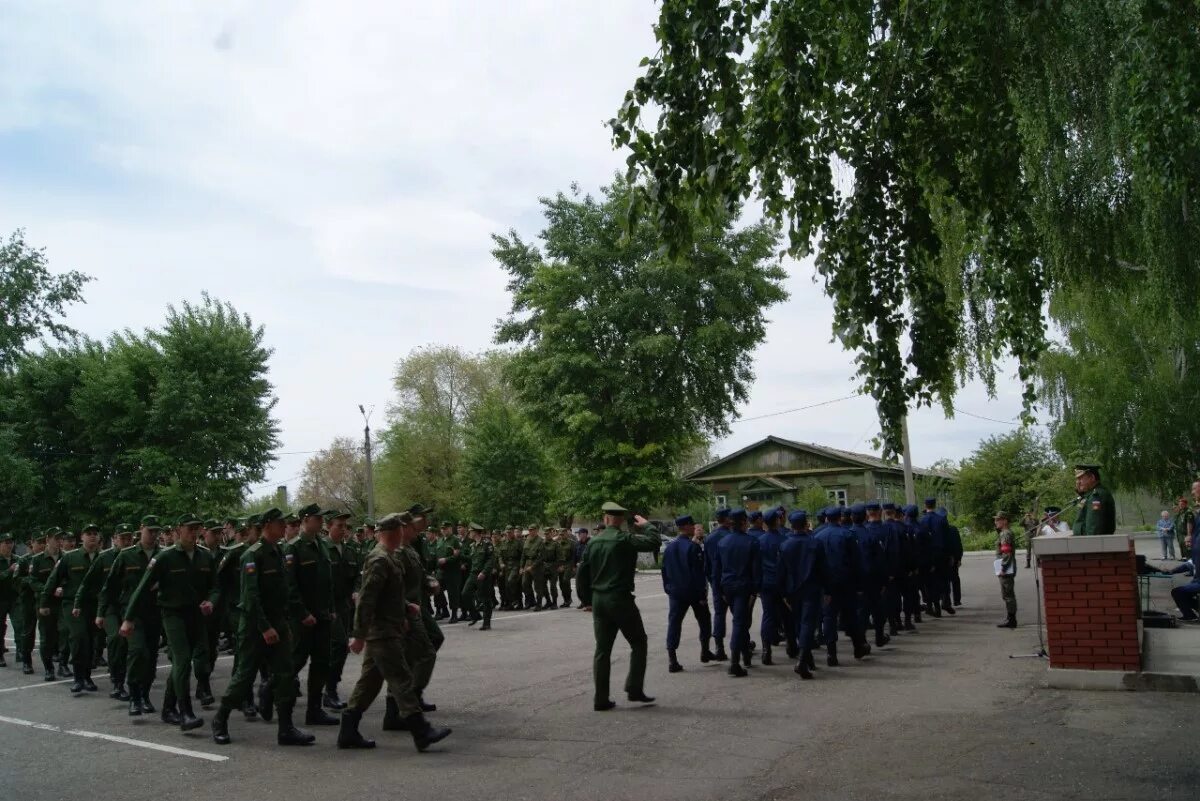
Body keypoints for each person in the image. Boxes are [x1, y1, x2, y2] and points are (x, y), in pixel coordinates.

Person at [337, 512, 452, 752]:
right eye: (401, 529)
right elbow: (367, 600)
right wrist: (358, 635)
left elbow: (388, 595)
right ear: (394, 532)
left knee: (369, 683)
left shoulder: (389, 557)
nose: (405, 532)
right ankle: (421, 731)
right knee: (402, 680)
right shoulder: (379, 559)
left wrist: (405, 607)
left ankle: (348, 730)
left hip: (388, 627)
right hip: (382, 632)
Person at [211, 507, 312, 747]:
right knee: (244, 676)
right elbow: (251, 597)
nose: (284, 527)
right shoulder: (252, 555)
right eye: (280, 523)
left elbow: (284, 590)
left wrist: (287, 620)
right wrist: (265, 627)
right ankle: (220, 718)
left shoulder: (279, 551)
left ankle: (286, 728)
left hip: (277, 621)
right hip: (256, 624)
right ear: (267, 525)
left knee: (285, 674)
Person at [121, 514, 217, 731]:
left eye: (196, 528)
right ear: (178, 530)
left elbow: (216, 586)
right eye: (189, 528)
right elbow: (142, 588)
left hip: (196, 616)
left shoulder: (205, 556)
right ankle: (186, 712)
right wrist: (128, 619)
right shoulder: (165, 558)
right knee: (182, 660)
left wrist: (211, 601)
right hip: (172, 615)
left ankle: (167, 708)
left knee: (192, 661)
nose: (193, 532)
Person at [576, 502, 660, 711]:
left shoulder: (593, 542)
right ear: (621, 519)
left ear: (605, 519)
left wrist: (586, 600)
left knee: (602, 650)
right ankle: (634, 688)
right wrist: (647, 525)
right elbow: (653, 542)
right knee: (639, 642)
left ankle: (600, 699)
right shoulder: (624, 539)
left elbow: (582, 573)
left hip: (599, 600)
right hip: (620, 599)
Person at [285, 504, 339, 727]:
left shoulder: (322, 545)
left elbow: (328, 581)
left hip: (322, 615)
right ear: (306, 520)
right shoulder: (293, 548)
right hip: (303, 617)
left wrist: (332, 608)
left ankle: (314, 710)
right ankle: (270, 691)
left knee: (321, 662)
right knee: (296, 660)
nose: (321, 522)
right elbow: (290, 586)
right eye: (318, 518)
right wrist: (302, 613)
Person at [45, 523, 102, 694]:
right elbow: (53, 581)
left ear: (99, 538)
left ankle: (87, 676)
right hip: (72, 605)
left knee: (91, 640)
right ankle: (78, 678)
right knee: (78, 637)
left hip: (95, 604)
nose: (92, 536)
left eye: (95, 533)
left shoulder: (105, 557)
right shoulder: (70, 558)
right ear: (81, 538)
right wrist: (44, 602)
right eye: (88, 533)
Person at [660, 515, 713, 672]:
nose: (694, 527)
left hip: (675, 592)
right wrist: (702, 595)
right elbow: (698, 574)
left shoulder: (670, 548)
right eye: (692, 525)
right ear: (688, 526)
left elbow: (664, 572)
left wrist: (668, 589)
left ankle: (672, 659)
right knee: (704, 620)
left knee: (674, 623)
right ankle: (705, 651)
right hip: (693, 592)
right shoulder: (692, 547)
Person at [713, 508, 760, 677]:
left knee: (741, 620)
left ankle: (746, 654)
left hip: (727, 587)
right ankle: (735, 662)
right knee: (740, 622)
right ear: (742, 522)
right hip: (743, 587)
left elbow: (717, 570)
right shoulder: (751, 542)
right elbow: (756, 570)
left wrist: (719, 590)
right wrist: (755, 591)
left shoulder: (723, 542)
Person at [777, 510, 824, 679]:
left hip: (792, 590)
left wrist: (783, 593)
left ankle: (807, 659)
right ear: (806, 524)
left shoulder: (785, 545)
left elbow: (780, 572)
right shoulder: (815, 544)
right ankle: (803, 660)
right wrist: (827, 590)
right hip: (811, 589)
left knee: (799, 623)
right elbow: (823, 569)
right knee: (808, 624)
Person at [325, 509, 360, 710]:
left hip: (344, 606)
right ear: (328, 526)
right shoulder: (322, 549)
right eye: (339, 525)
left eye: (345, 526)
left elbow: (357, 576)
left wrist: (356, 590)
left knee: (339, 649)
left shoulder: (349, 551)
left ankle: (329, 690)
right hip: (327, 607)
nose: (343, 530)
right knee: (337, 645)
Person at [703, 508, 733, 661]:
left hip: (717, 581)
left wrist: (713, 580)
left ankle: (719, 647)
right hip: (732, 580)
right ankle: (743, 643)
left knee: (719, 614)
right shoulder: (731, 536)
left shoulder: (709, 538)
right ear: (727, 519)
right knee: (740, 615)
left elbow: (706, 565)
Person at [1072, 463, 1116, 536]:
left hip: (1092, 544)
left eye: (1080, 478)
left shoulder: (1096, 496)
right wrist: (1080, 492)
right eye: (1077, 479)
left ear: (1092, 477)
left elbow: (1093, 530)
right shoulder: (1090, 495)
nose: (1078, 482)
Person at [994, 511, 1018, 629]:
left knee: (1008, 594)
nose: (996, 522)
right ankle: (1010, 617)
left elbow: (1006, 552)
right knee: (1006, 594)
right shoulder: (1004, 533)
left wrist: (1003, 567)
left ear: (1005, 521)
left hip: (1006, 568)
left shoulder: (1005, 534)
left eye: (998, 520)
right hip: (1006, 567)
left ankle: (1012, 619)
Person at [0, 534, 15, 668]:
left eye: (11, 542)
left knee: (21, 624)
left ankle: (23, 653)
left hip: (15, 598)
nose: (9, 545)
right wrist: (9, 571)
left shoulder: (17, 559)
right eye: (6, 542)